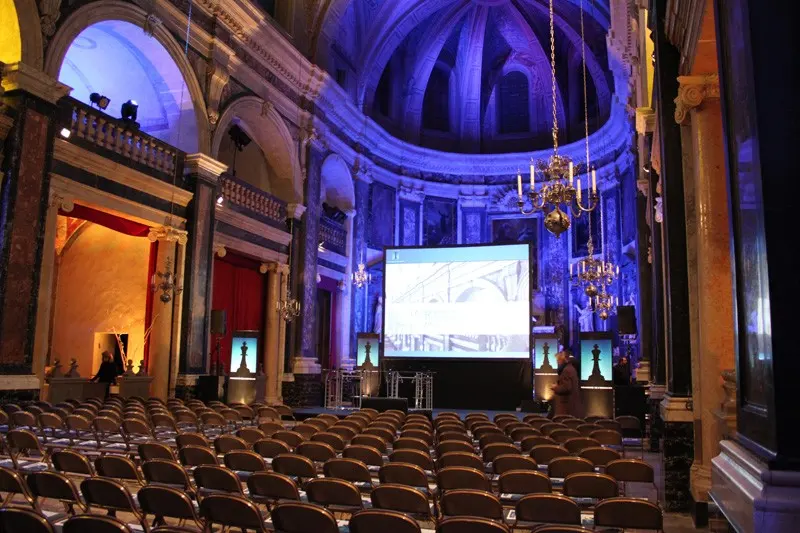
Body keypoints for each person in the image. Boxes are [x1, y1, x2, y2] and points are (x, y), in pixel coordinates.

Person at [550, 350, 583, 417]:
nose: (557, 362)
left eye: (558, 360)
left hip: (566, 408)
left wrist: (555, 387)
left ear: (562, 360)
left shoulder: (566, 371)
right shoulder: (571, 368)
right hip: (570, 406)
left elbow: (567, 388)